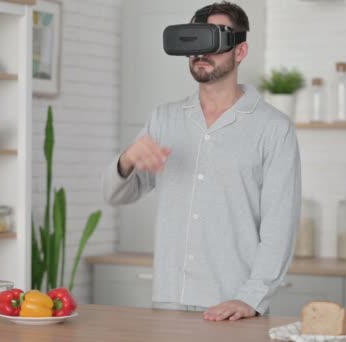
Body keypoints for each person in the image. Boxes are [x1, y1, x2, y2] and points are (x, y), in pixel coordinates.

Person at [102, 1, 301, 321]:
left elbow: (281, 226)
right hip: (169, 302)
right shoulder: (164, 119)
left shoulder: (273, 128)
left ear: (240, 51)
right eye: (194, 40)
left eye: (213, 40)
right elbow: (116, 194)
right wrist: (126, 160)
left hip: (236, 308)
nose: (200, 51)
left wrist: (251, 298)